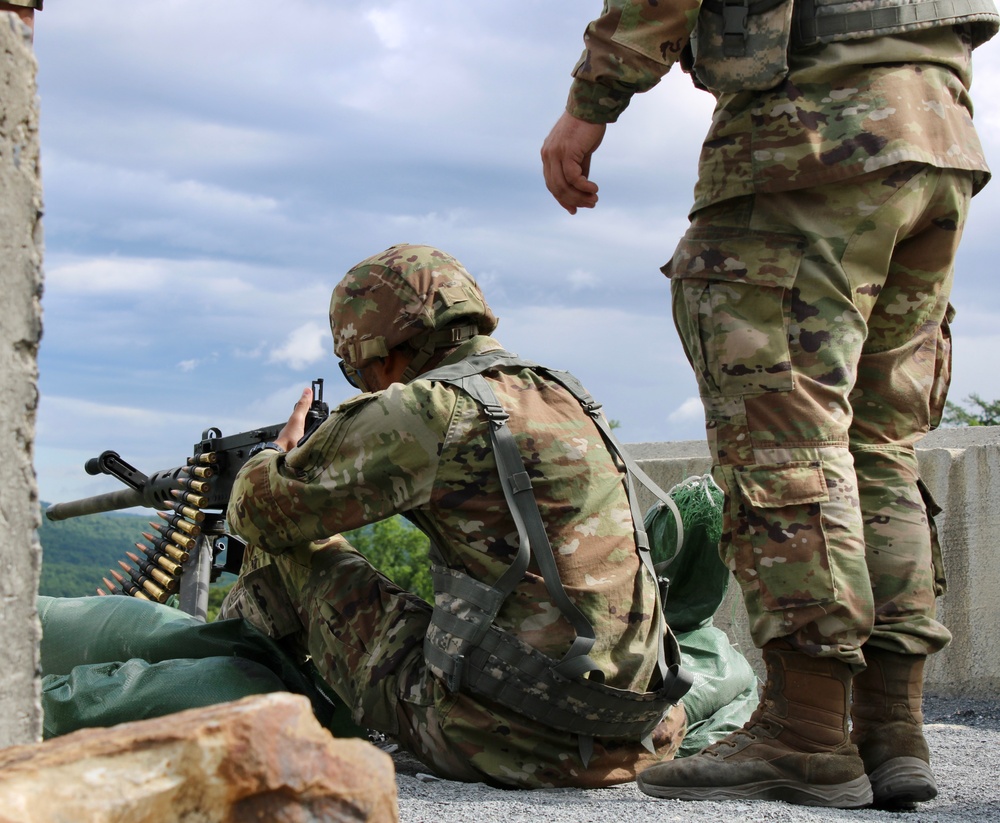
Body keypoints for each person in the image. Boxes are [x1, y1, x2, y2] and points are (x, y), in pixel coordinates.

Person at [541, 0, 998, 810]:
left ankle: (808, 735)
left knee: (787, 437)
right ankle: (893, 729)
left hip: (814, 128)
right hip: (939, 128)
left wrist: (589, 105)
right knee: (878, 444)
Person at [220, 243, 694, 788]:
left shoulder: (430, 409)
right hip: (633, 730)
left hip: (508, 741)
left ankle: (247, 721)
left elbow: (260, 511)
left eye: (358, 372)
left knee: (291, 548)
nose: (369, 385)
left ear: (381, 354)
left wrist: (270, 460)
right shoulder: (565, 392)